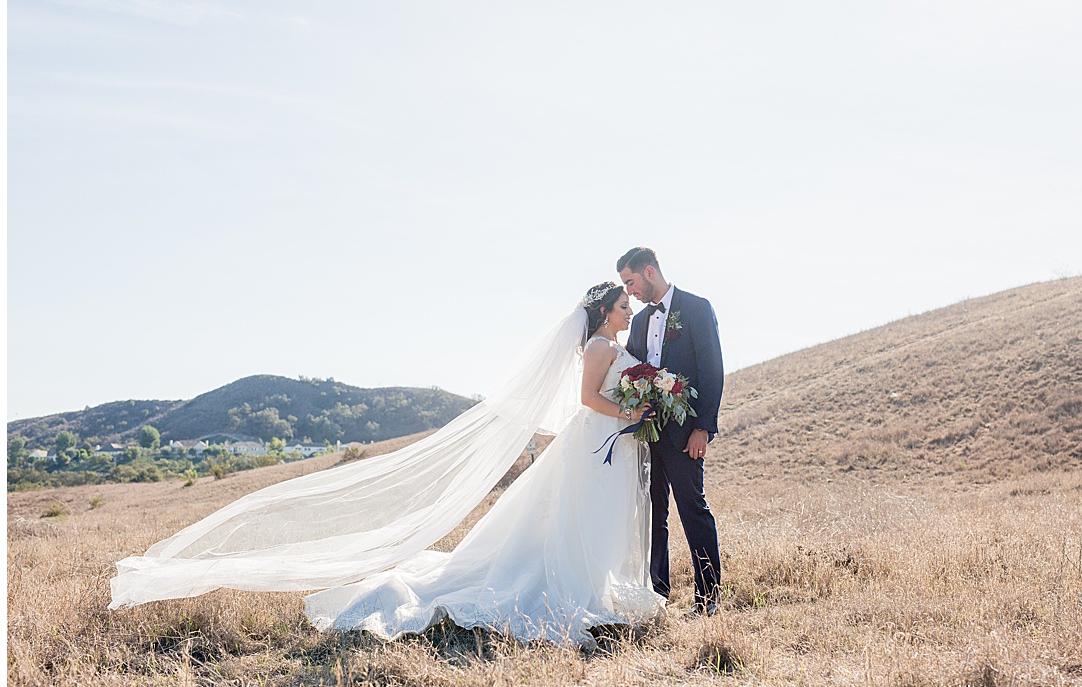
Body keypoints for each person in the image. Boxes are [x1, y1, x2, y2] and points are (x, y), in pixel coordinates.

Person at [109, 282, 664, 650]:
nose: (628, 311)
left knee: (596, 518)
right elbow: (592, 399)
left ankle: (602, 585)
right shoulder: (597, 347)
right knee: (578, 520)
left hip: (611, 446)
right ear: (602, 312)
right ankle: (581, 588)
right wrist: (633, 408)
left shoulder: (610, 345)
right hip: (600, 438)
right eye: (622, 306)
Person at [617, 247, 724, 616]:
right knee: (652, 514)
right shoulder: (640, 322)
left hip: (684, 434)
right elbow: (630, 368)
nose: (629, 292)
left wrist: (703, 429)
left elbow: (712, 371)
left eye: (631, 282)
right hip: (649, 433)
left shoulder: (696, 308)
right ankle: (657, 596)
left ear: (649, 272)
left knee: (693, 508)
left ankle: (709, 599)